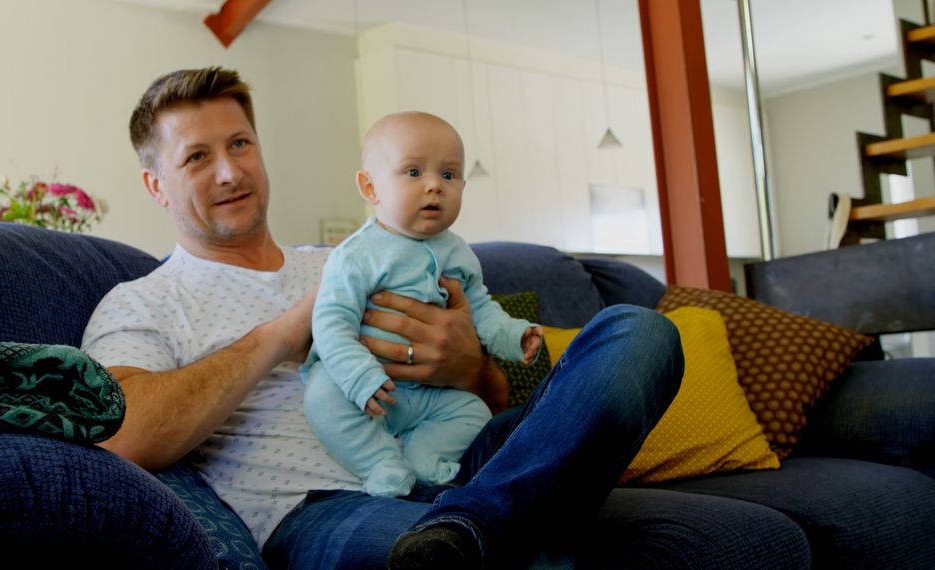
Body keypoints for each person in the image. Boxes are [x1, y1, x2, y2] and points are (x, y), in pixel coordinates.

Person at [82, 65, 684, 569]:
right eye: (196, 157)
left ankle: (472, 530)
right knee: (432, 546)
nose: (230, 172)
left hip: (461, 457)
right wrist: (285, 332)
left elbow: (497, 399)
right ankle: (499, 528)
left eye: (240, 144)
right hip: (320, 506)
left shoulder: (369, 252)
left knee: (639, 332)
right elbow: (124, 431)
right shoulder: (143, 300)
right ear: (156, 186)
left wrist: (470, 366)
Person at [301, 110, 543, 499]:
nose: (434, 186)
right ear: (370, 188)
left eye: (448, 175)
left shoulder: (458, 253)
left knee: (473, 412)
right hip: (365, 388)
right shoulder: (356, 256)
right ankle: (380, 462)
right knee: (321, 395)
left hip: (432, 393)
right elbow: (330, 323)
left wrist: (513, 335)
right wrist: (360, 377)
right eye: (413, 172)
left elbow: (480, 308)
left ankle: (426, 458)